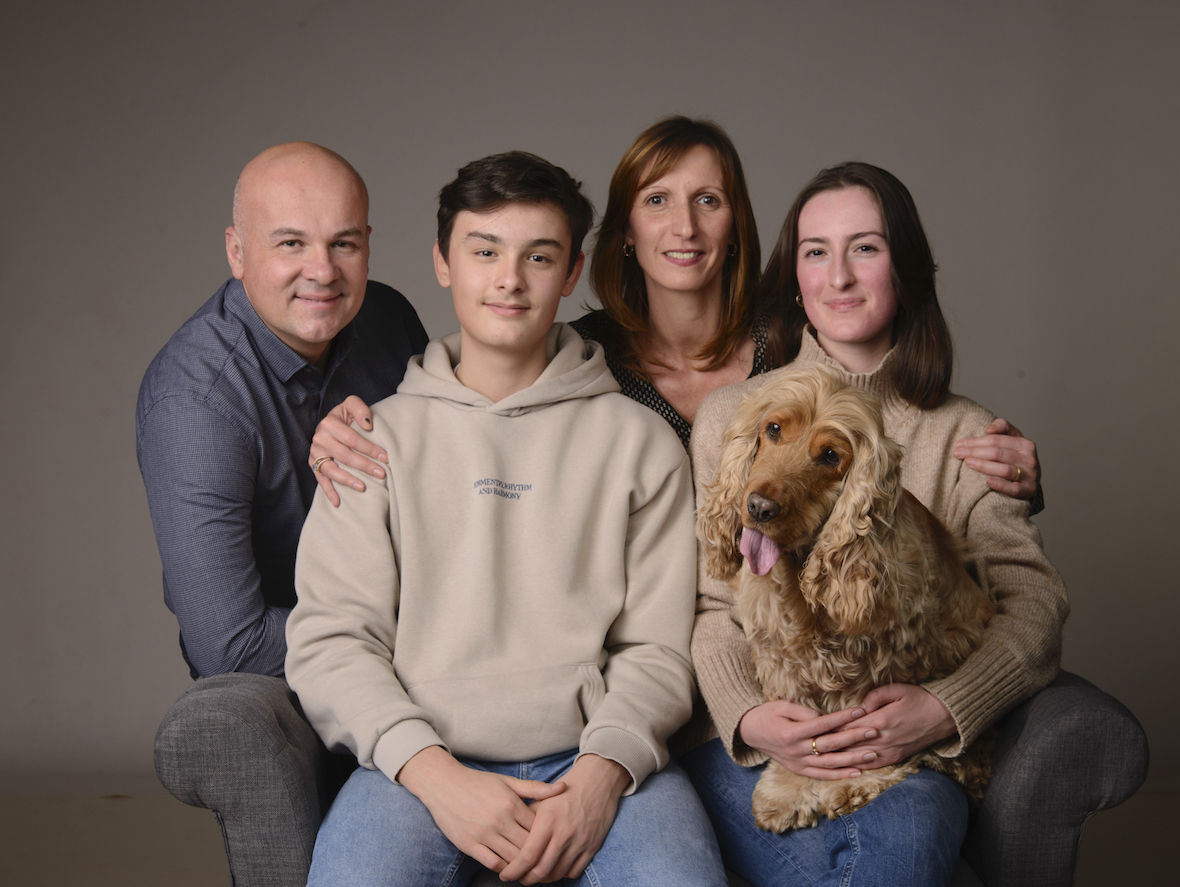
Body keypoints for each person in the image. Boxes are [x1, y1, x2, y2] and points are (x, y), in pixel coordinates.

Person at [285, 151, 727, 886]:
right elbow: (332, 638)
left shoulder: (639, 441)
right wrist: (432, 773)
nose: (509, 279)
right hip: (420, 764)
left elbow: (659, 648)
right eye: (484, 251)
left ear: (573, 272)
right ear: (442, 262)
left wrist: (601, 776)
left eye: (539, 256)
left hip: (592, 756)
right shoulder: (372, 442)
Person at [308, 117, 1040, 508]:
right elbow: (480, 382)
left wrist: (1008, 474)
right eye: (657, 201)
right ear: (625, 232)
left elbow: (894, 423)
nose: (684, 227)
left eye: (708, 201)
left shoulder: (796, 339)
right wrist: (356, 422)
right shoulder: (580, 356)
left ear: (735, 228)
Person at [679, 162, 1070, 887]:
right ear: (794, 276)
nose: (840, 277)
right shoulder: (736, 417)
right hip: (762, 738)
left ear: (907, 269)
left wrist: (944, 707)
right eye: (816, 251)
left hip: (906, 749)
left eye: (866, 247)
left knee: (907, 839)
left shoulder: (969, 434)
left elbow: (1035, 602)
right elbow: (711, 601)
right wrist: (747, 716)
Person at [136, 142, 427, 679]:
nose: (322, 271)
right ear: (237, 252)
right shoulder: (195, 401)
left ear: (367, 245)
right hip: (290, 667)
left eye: (343, 243)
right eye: (291, 243)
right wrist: (423, 641)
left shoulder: (388, 318)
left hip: (427, 629)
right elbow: (230, 646)